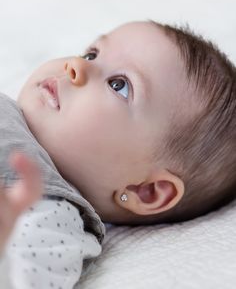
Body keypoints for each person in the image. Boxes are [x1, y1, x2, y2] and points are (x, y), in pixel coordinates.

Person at [1, 20, 236, 288]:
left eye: (118, 85)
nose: (77, 66)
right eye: (91, 54)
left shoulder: (51, 217)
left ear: (145, 191)